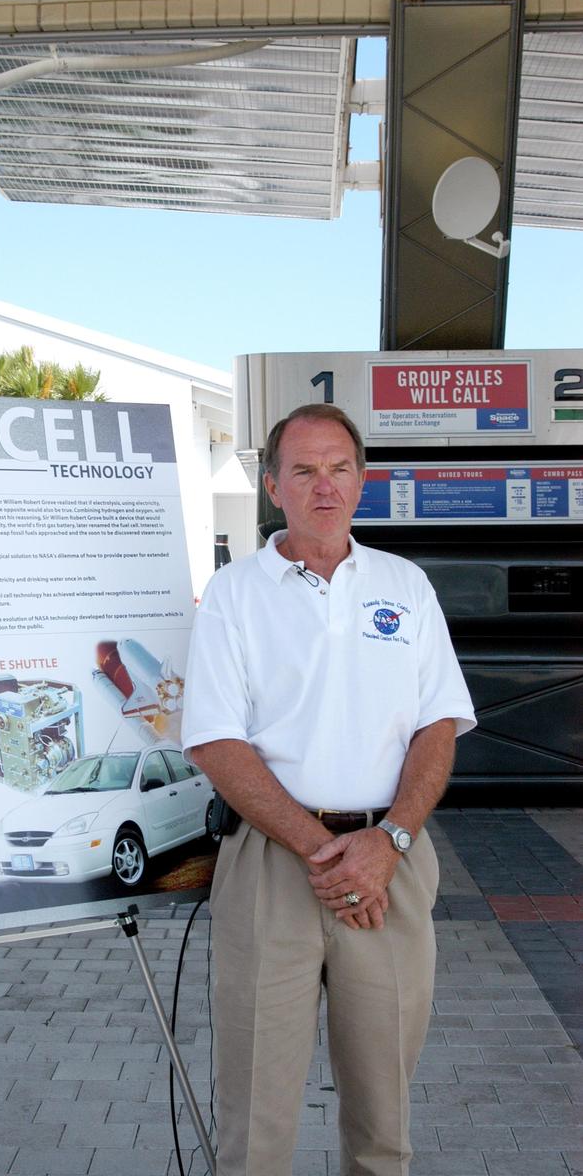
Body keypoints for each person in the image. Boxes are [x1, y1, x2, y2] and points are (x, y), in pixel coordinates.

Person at [181, 404, 475, 1176]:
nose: (324, 486)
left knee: (384, 1120)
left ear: (362, 479)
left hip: (391, 862)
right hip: (275, 870)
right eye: (304, 470)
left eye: (339, 467)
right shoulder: (235, 593)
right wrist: (329, 856)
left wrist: (388, 842)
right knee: (256, 1123)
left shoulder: (403, 586)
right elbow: (216, 740)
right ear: (272, 484)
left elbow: (437, 725)